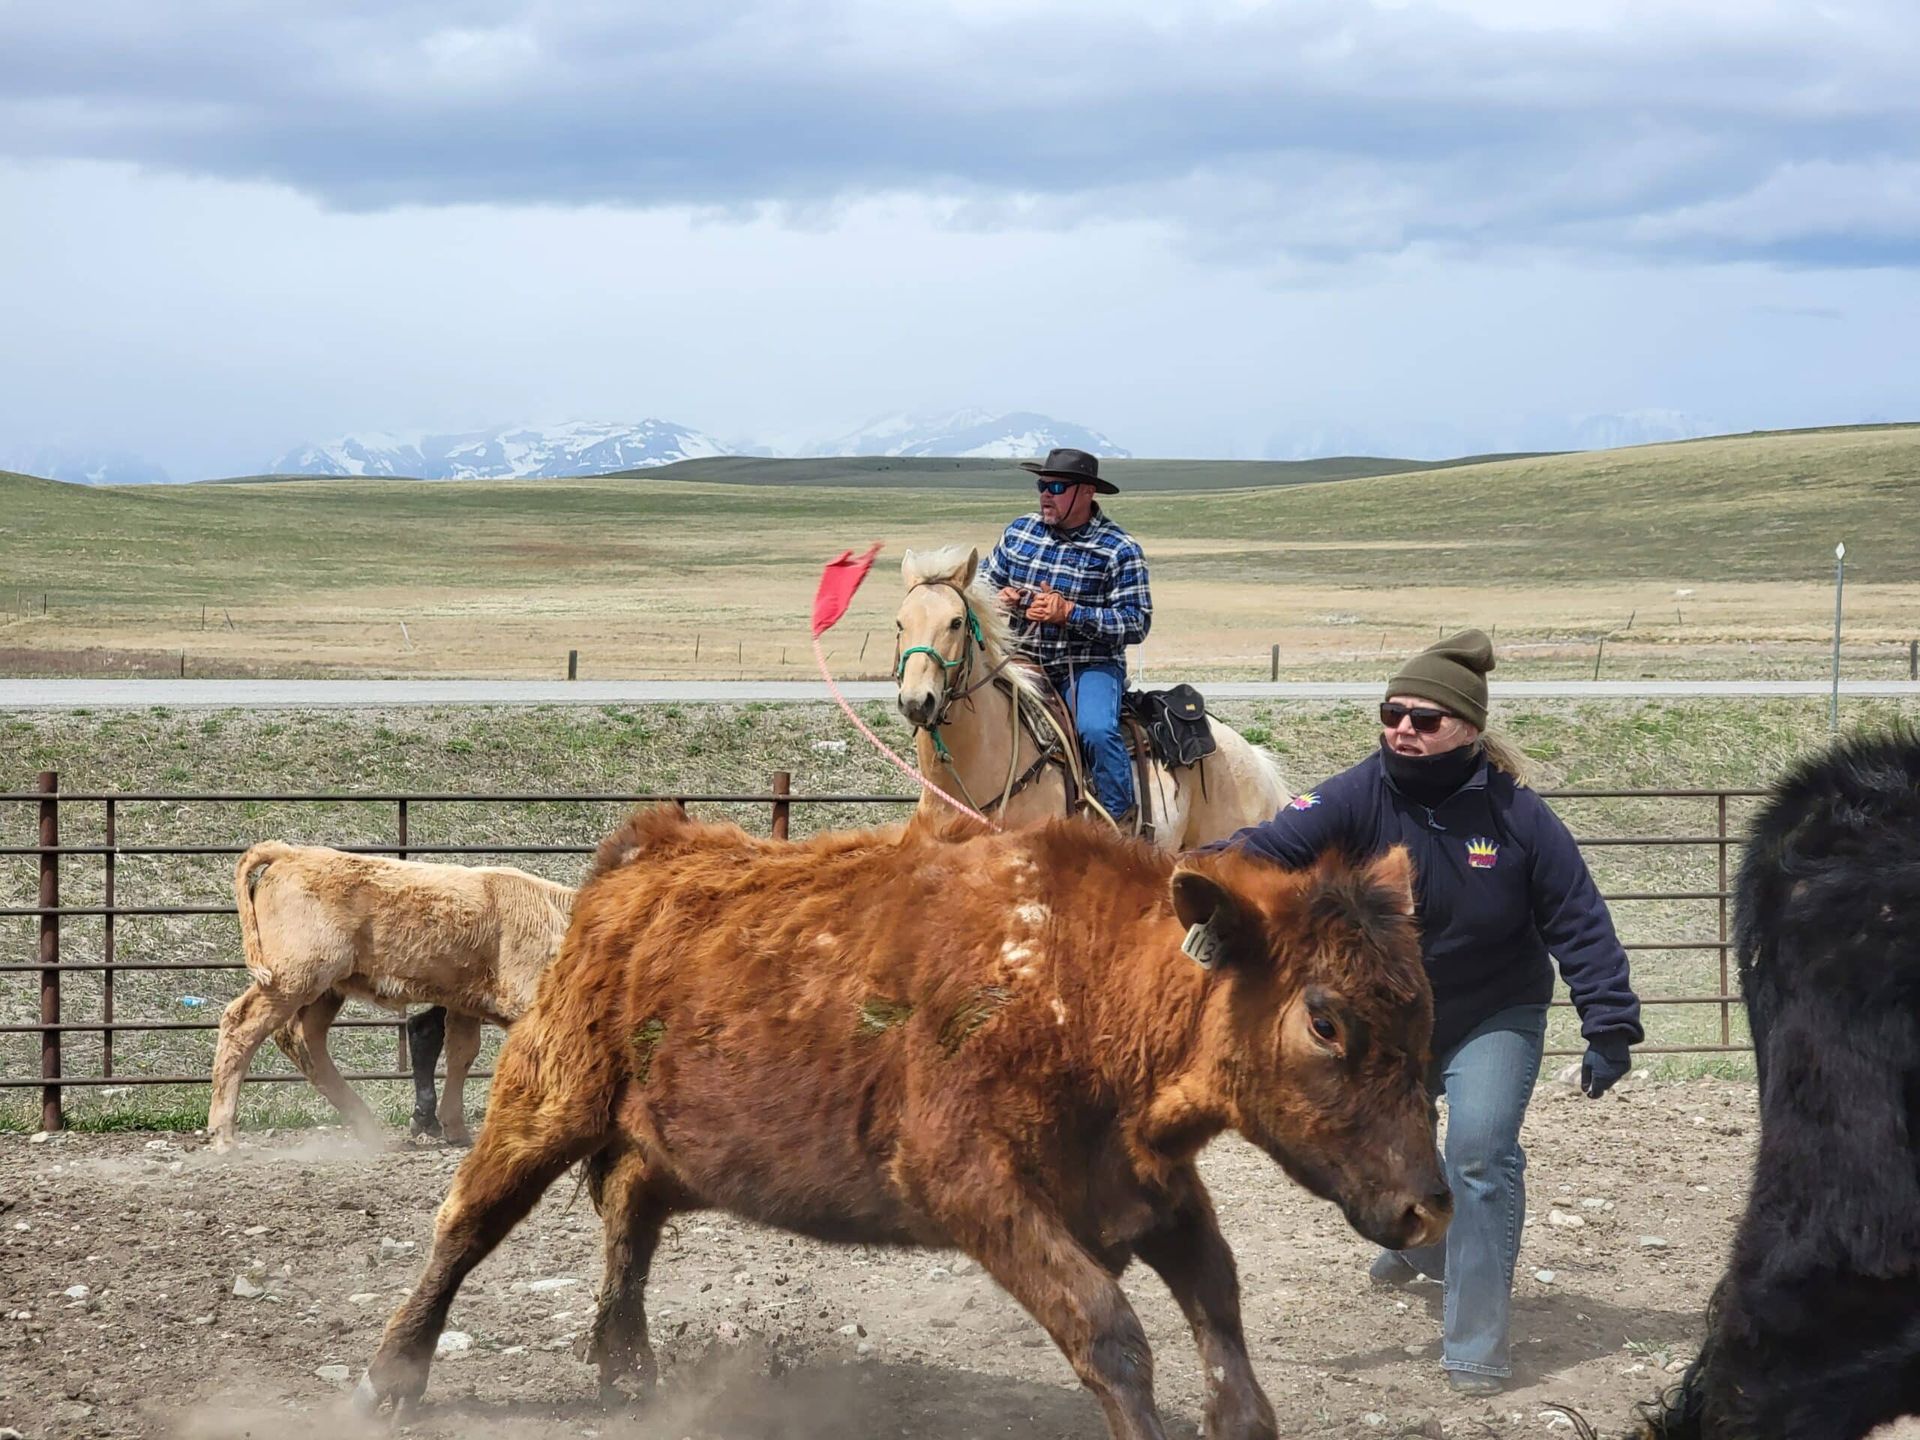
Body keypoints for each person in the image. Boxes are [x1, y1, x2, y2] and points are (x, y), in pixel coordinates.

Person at [1211, 629, 1643, 1396]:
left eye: (1426, 718)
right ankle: (1427, 1248)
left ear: (1469, 729)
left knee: (1479, 1155)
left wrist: (1609, 1021)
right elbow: (1263, 848)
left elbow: (1578, 916)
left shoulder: (1518, 818)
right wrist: (1186, 873)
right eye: (1392, 712)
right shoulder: (1356, 794)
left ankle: (1475, 1345)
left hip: (1491, 1009)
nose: (1404, 728)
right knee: (1388, 1154)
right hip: (1386, 1024)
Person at [979, 447, 1151, 828]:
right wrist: (998, 599)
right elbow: (983, 582)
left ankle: (1119, 824)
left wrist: (1070, 613)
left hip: (1088, 666)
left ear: (1087, 493)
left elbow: (1136, 622)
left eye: (1056, 486)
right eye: (1042, 485)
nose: (1045, 494)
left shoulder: (1118, 550)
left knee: (1095, 730)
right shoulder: (1019, 532)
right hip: (1021, 659)